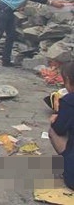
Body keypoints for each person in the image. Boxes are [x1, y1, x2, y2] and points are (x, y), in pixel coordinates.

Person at [49, 61, 74, 190]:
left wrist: (57, 115)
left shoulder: (69, 100)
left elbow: (59, 129)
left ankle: (67, 162)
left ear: (68, 80)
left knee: (53, 130)